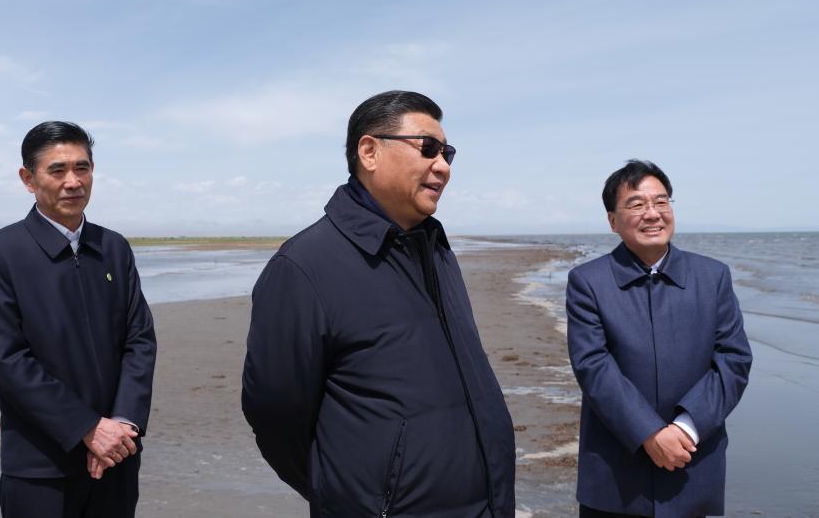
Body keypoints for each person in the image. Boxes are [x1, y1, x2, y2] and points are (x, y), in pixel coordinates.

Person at [242, 90, 516, 517]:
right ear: (369, 152)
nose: (443, 166)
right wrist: (349, 496)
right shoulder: (305, 266)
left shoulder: (436, 250)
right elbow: (274, 414)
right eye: (428, 148)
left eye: (447, 153)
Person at [0, 121, 157, 518]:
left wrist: (123, 423)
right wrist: (86, 427)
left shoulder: (114, 248)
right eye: (57, 170)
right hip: (40, 468)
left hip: (116, 456)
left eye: (81, 168)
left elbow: (139, 340)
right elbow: (8, 360)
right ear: (28, 179)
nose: (73, 182)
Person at [565, 160, 752, 518]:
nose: (652, 214)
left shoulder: (712, 276)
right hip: (616, 472)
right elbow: (593, 366)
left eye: (661, 201)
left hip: (691, 458)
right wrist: (649, 433)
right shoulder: (588, 281)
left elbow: (734, 359)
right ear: (613, 221)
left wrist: (686, 427)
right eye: (636, 204)